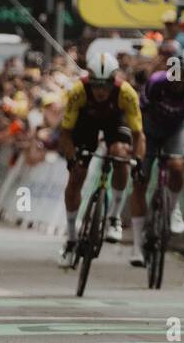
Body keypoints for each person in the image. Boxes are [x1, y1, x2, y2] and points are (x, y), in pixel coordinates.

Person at [55, 51, 142, 265]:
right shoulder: (78, 91)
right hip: (86, 122)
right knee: (77, 175)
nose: (101, 91)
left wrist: (138, 160)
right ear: (88, 81)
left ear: (114, 81)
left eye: (105, 86)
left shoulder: (126, 93)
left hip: (116, 120)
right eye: (96, 85)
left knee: (121, 155)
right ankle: (71, 237)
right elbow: (65, 134)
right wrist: (72, 158)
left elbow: (139, 135)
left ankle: (113, 217)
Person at [128, 47, 184, 264]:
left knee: (176, 166)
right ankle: (136, 247)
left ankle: (173, 209)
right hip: (148, 131)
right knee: (140, 180)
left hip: (174, 131)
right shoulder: (157, 82)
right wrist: (137, 147)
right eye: (182, 75)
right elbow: (138, 117)